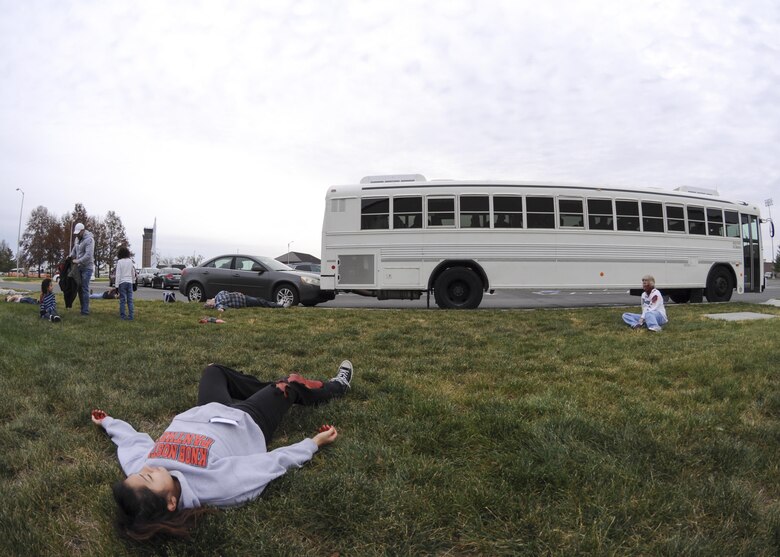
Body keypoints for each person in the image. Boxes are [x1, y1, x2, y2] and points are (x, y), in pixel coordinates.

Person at [91, 360, 354, 541]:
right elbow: (271, 464)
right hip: (247, 420)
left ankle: (270, 390)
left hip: (207, 409)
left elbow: (132, 443)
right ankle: (337, 386)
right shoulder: (217, 488)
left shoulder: (141, 471)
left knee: (214, 371)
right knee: (290, 384)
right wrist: (313, 443)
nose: (147, 468)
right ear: (171, 502)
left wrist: (108, 422)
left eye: (139, 473)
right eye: (148, 477)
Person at [69, 222, 95, 315]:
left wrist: (78, 261)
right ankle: (82, 308)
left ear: (83, 231)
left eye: (78, 233)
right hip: (79, 267)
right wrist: (70, 257)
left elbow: (88, 255)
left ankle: (85, 311)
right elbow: (74, 251)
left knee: (84, 288)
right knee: (79, 288)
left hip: (87, 268)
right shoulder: (77, 239)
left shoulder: (89, 240)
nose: (77, 235)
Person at [204, 290, 288, 311]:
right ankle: (281, 305)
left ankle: (276, 304)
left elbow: (226, 292)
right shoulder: (218, 304)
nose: (210, 305)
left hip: (243, 297)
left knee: (260, 300)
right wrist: (220, 309)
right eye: (210, 306)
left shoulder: (218, 295)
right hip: (244, 302)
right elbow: (222, 308)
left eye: (209, 303)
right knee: (261, 302)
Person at [115, 246, 136, 320]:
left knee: (122, 300)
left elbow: (118, 275)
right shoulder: (130, 261)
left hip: (122, 283)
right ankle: (131, 316)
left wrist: (116, 286)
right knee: (130, 300)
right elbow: (133, 272)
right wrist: (134, 282)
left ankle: (123, 316)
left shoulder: (120, 262)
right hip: (129, 282)